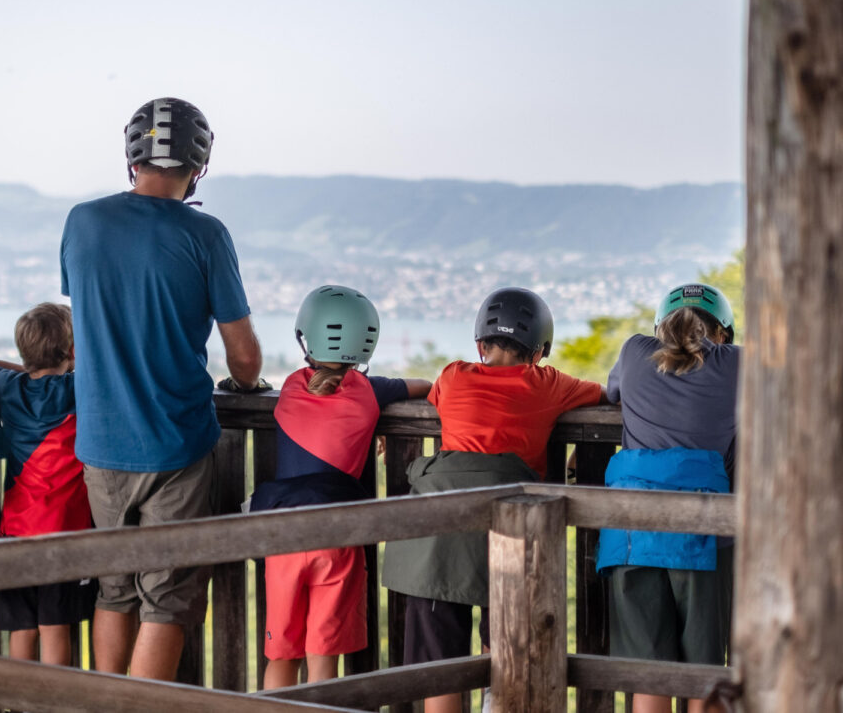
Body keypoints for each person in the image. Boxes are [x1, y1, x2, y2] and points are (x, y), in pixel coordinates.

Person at [60, 97, 263, 682]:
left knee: (115, 588)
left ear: (132, 156)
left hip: (99, 442)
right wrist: (247, 384)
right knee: (167, 599)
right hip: (175, 442)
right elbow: (243, 357)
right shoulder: (205, 233)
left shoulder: (83, 221)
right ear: (197, 167)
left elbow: (92, 312)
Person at [382, 287, 605, 713]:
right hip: (510, 534)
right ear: (540, 352)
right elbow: (608, 394)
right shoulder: (550, 384)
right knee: (506, 652)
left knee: (438, 664)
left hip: (438, 532)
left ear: (480, 345)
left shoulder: (452, 376)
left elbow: (439, 401)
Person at [250, 286, 431, 688]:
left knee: (281, 656)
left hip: (282, 538)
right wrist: (375, 426)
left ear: (305, 336)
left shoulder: (292, 388)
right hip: (337, 538)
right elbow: (423, 384)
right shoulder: (371, 392)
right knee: (322, 665)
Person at [596, 283, 739, 713]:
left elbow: (611, 395)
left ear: (660, 326)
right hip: (702, 535)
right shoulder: (738, 364)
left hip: (630, 532)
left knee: (649, 674)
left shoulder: (634, 352)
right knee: (705, 678)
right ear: (723, 333)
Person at [0, 302, 95, 668]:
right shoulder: (79, 387)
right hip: (65, 529)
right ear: (72, 351)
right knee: (55, 626)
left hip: (17, 527)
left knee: (23, 629)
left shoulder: (10, 387)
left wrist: (18, 368)